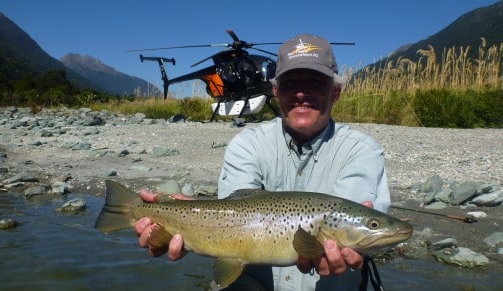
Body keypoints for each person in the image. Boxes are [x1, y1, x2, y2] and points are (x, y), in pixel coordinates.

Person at [135, 33, 391, 290]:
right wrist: (184, 218)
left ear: (335, 92)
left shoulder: (362, 151)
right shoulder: (248, 144)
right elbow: (231, 214)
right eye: (290, 84)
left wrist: (369, 228)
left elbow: (349, 236)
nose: (301, 93)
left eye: (315, 83)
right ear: (276, 92)